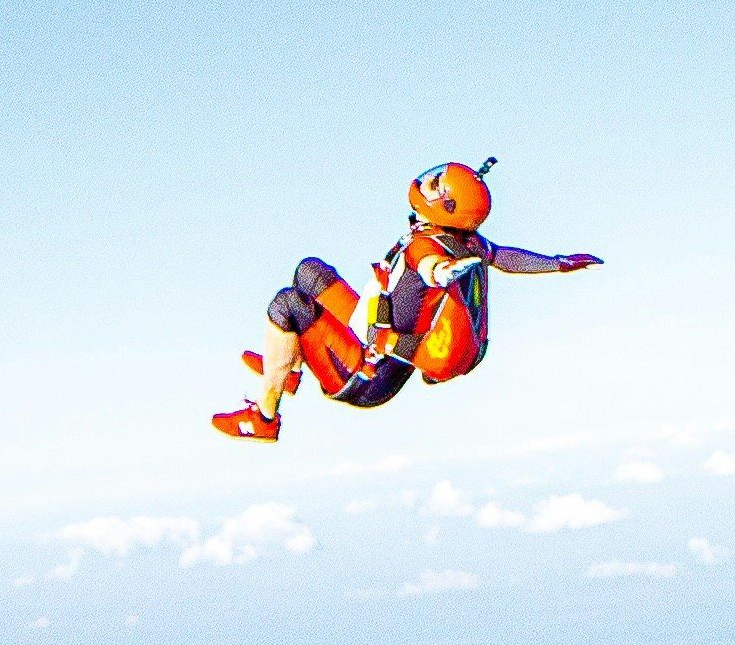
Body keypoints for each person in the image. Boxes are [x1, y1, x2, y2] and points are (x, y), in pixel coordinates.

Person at [212, 160, 600, 443]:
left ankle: (263, 418)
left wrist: (440, 272)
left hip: (367, 373)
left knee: (287, 305)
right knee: (309, 272)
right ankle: (288, 369)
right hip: (370, 329)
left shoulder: (427, 247)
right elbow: (505, 257)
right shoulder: (467, 241)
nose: (426, 182)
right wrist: (557, 263)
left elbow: (428, 264)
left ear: (448, 208)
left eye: (436, 185)